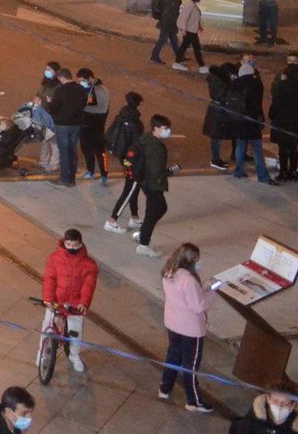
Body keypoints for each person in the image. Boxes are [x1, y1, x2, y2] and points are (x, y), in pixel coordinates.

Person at [159, 242, 213, 413]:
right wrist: (213, 292)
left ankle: (164, 388)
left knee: (173, 356)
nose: (199, 262)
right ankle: (194, 401)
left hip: (173, 323)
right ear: (191, 261)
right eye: (197, 259)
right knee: (191, 365)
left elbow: (184, 296)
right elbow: (199, 306)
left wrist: (204, 286)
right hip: (190, 329)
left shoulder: (169, 272)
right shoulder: (189, 279)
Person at [41, 229, 99, 372]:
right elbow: (50, 279)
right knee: (48, 326)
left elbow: (88, 286)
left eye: (75, 245)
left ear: (80, 244)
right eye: (68, 244)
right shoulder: (54, 258)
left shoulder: (89, 264)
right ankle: (41, 353)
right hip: (57, 300)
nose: (72, 248)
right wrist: (48, 298)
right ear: (64, 243)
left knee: (75, 331)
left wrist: (83, 303)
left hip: (75, 303)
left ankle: (74, 354)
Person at [101, 91, 147, 233]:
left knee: (134, 186)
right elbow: (139, 144)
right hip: (133, 159)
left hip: (123, 157)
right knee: (130, 188)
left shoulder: (120, 116)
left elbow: (109, 133)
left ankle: (134, 217)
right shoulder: (136, 123)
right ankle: (112, 220)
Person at [227, 56, 272, 183]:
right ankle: (262, 175)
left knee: (240, 146)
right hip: (252, 120)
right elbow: (257, 103)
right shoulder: (256, 84)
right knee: (257, 148)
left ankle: (239, 171)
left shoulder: (235, 83)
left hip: (238, 120)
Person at [133, 114, 174, 254]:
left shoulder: (146, 139)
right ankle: (143, 243)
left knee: (154, 209)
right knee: (157, 209)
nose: (168, 131)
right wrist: (169, 172)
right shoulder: (156, 147)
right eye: (165, 128)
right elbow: (156, 170)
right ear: (156, 128)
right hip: (153, 183)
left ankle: (143, 235)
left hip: (145, 181)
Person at [46, 66, 88, 187]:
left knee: (64, 152)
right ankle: (71, 178)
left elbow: (53, 108)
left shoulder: (60, 91)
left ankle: (64, 178)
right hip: (76, 125)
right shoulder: (81, 89)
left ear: (61, 78)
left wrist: (49, 102)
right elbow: (84, 104)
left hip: (63, 125)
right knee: (72, 152)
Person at [269, 61, 298, 182]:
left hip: (281, 122)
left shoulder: (281, 87)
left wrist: (272, 115)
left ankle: (283, 172)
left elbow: (275, 105)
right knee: (293, 147)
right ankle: (292, 170)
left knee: (282, 148)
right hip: (296, 123)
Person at [79, 67, 110, 182]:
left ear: (90, 78)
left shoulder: (102, 91)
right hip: (87, 125)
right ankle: (90, 170)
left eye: (82, 80)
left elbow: (97, 108)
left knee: (100, 152)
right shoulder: (90, 88)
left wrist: (82, 105)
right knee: (86, 149)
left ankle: (104, 174)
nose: (81, 82)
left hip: (95, 126)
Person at [232, 390, 298, 434]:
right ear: (268, 399)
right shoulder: (250, 421)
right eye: (275, 401)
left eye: (285, 404)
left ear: (292, 405)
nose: (279, 407)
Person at [148, 0, 184, 65]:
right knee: (162, 40)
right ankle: (154, 56)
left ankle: (179, 56)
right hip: (167, 24)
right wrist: (174, 24)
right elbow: (169, 14)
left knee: (174, 40)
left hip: (169, 24)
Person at [172, 0, 205, 70]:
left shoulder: (191, 4)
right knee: (196, 48)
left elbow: (193, 18)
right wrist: (183, 30)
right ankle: (202, 66)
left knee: (184, 47)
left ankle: (177, 62)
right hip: (189, 31)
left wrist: (198, 26)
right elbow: (184, 18)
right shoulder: (190, 5)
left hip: (190, 30)